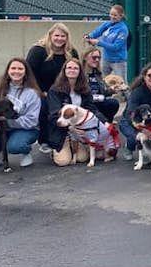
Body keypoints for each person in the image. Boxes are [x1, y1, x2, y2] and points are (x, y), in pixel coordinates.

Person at [26, 23, 79, 154]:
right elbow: (29, 74)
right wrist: (39, 92)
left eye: (63, 36)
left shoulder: (71, 52)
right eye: (56, 35)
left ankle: (71, 137)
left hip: (64, 90)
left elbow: (77, 71)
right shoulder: (38, 51)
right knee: (46, 107)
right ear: (50, 36)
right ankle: (45, 140)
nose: (59, 39)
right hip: (41, 90)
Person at [46, 58, 107, 166]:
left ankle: (76, 146)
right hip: (62, 130)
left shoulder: (85, 89)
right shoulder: (55, 90)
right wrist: (70, 128)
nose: (72, 70)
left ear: (80, 71)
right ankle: (56, 149)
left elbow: (91, 109)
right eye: (69, 67)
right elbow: (53, 115)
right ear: (64, 70)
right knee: (63, 162)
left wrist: (105, 122)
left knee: (82, 158)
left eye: (76, 68)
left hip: (80, 130)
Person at [84, 4, 129, 80]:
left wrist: (99, 43)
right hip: (106, 58)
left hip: (118, 60)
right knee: (103, 80)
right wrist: (89, 36)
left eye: (115, 15)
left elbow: (116, 47)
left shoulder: (123, 29)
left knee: (121, 82)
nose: (112, 17)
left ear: (121, 16)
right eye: (111, 14)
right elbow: (97, 32)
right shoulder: (107, 24)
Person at [82, 47, 120, 123]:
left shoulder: (98, 74)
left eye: (99, 58)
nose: (97, 60)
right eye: (94, 57)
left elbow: (103, 92)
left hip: (98, 102)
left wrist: (111, 91)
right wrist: (101, 97)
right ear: (85, 57)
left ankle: (107, 124)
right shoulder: (80, 74)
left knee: (113, 103)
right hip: (86, 104)